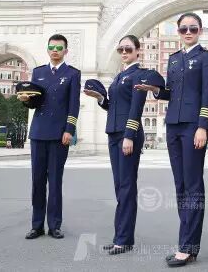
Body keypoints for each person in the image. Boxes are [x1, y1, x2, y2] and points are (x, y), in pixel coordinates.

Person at [136, 12, 208, 267]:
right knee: (180, 185)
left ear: (200, 30)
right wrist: (156, 90)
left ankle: (187, 246)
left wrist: (203, 126)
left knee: (193, 185)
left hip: (193, 126)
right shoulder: (173, 58)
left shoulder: (206, 57)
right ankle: (187, 243)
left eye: (193, 28)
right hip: (173, 125)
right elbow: (171, 92)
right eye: (183, 29)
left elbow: (207, 93)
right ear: (179, 32)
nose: (188, 32)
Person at [84, 35, 148, 255]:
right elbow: (113, 106)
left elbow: (136, 107)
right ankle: (121, 236)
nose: (124, 52)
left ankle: (124, 239)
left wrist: (129, 135)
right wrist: (100, 98)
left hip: (127, 135)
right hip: (113, 133)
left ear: (138, 51)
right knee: (120, 186)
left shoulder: (139, 74)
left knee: (127, 187)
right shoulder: (120, 75)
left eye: (128, 49)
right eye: (121, 49)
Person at [18, 34, 81, 240]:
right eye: (52, 47)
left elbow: (73, 104)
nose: (55, 50)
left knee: (54, 181)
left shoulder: (72, 74)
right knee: (37, 181)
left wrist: (69, 130)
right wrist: (26, 100)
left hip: (59, 135)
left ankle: (54, 225)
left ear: (66, 51)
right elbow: (34, 103)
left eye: (59, 48)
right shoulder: (38, 72)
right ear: (47, 50)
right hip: (38, 132)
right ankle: (37, 226)